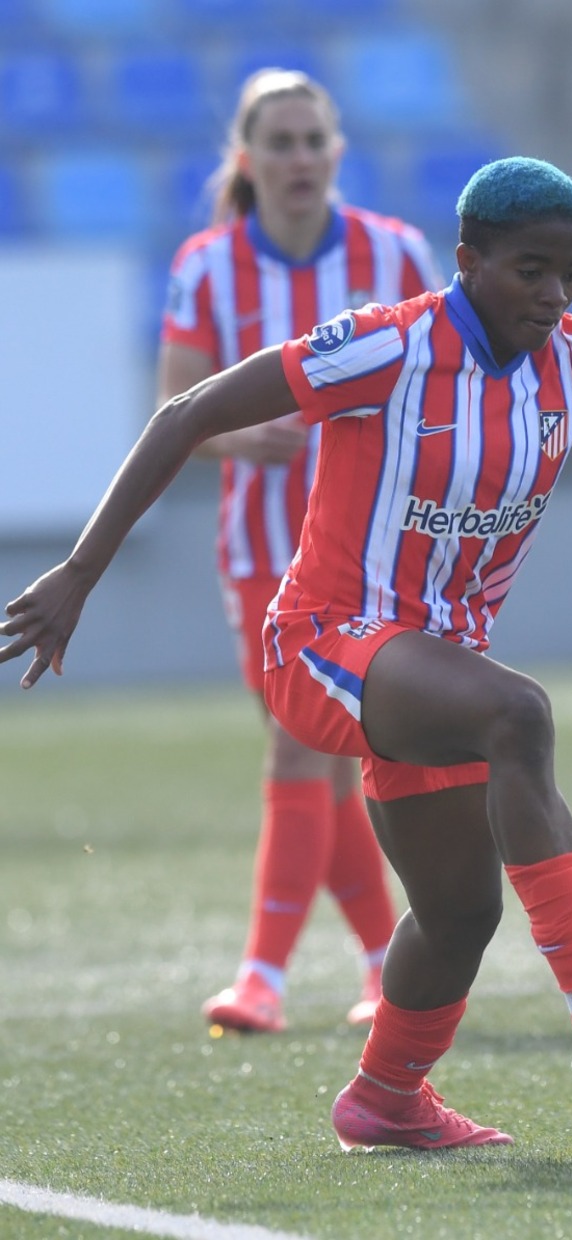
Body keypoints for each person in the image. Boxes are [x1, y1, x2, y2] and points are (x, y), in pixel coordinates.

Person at [0, 156, 572, 1151]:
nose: (554, 293)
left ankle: (387, 1097)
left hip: (433, 671)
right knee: (518, 714)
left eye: (570, 271)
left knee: (457, 914)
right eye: (531, 269)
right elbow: (185, 415)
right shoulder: (382, 347)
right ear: (468, 260)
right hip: (318, 643)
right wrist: (80, 572)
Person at [157, 68, 444, 1033]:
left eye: (313, 141)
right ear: (246, 160)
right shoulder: (206, 265)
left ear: (337, 152)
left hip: (370, 553)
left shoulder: (395, 252)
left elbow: (437, 381)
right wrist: (243, 434)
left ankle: (264, 978)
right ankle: (376, 962)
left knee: (312, 749)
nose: (298, 160)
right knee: (313, 755)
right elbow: (179, 409)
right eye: (278, 143)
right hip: (261, 551)